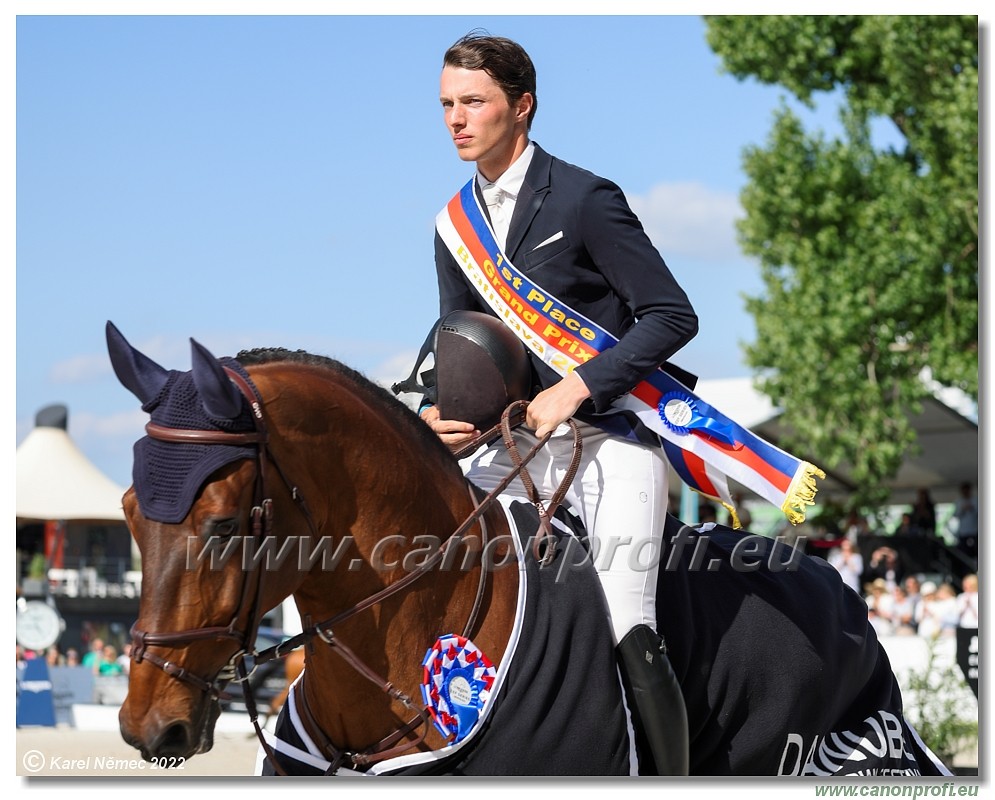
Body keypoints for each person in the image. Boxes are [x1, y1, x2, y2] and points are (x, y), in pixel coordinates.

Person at [423, 32, 698, 774]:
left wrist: (577, 386)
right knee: (441, 574)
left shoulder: (584, 198)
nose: (455, 118)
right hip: (510, 451)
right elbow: (456, 337)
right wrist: (432, 408)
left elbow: (672, 317)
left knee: (623, 621)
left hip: (608, 442)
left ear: (521, 106)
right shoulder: (453, 224)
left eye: (472, 102)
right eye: (447, 104)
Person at [951, 483, 978, 560]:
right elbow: (955, 515)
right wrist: (962, 510)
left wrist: (972, 508)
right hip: (963, 532)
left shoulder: (975, 500)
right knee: (964, 552)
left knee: (975, 551)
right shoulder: (958, 502)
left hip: (974, 531)